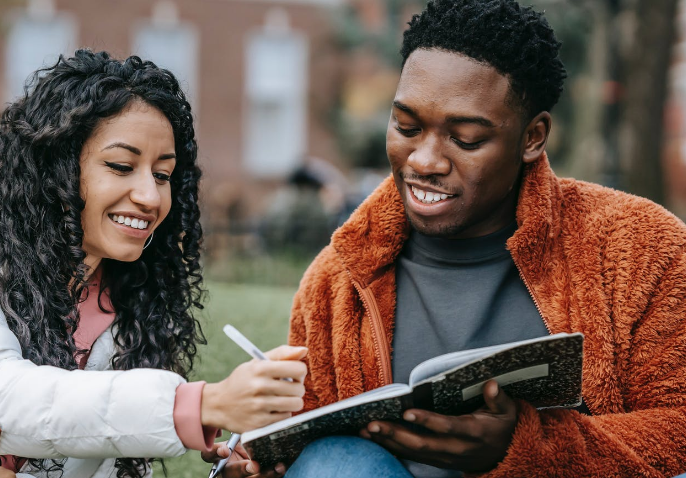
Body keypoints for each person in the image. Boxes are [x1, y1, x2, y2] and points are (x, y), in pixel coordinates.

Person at [211, 0, 686, 476]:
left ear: (533, 137)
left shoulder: (639, 248)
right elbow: (303, 430)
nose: (424, 160)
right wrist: (257, 463)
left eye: (465, 138)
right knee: (333, 462)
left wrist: (529, 449)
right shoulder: (338, 279)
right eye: (407, 126)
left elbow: (678, 431)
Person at [0, 50, 307, 478]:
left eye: (162, 175)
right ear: (54, 166)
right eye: (121, 166)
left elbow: (96, 441)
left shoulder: (129, 300)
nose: (149, 196)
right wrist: (199, 405)